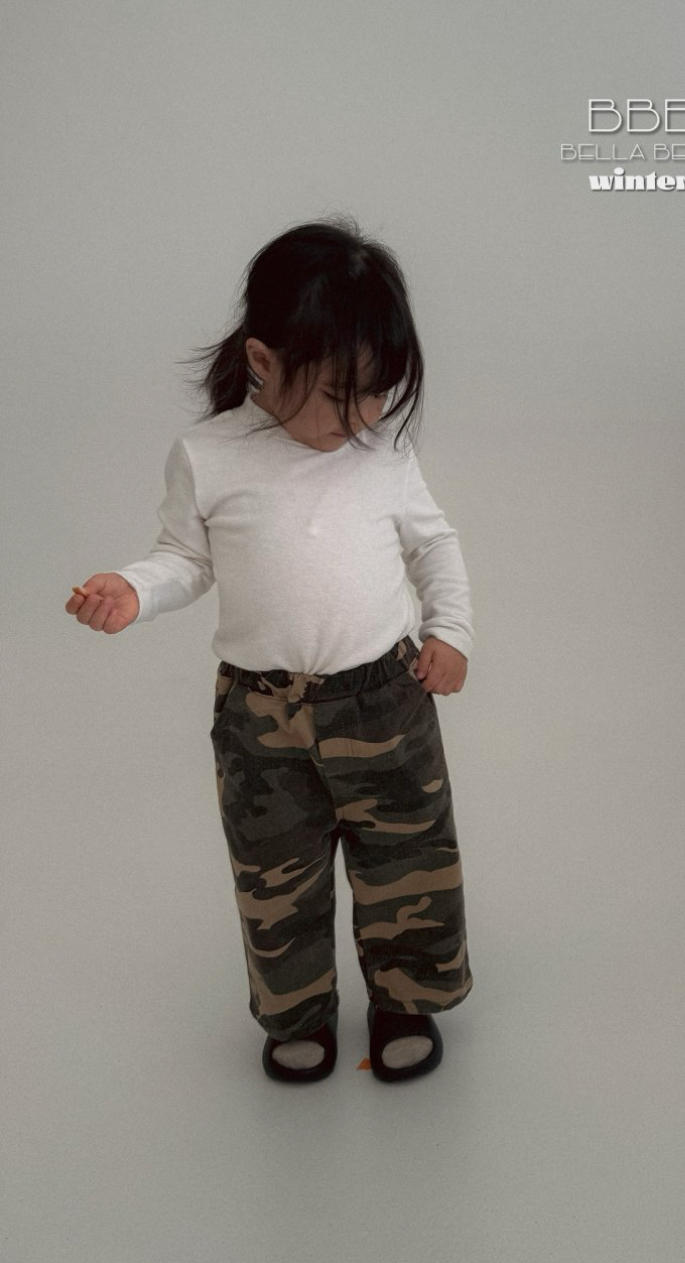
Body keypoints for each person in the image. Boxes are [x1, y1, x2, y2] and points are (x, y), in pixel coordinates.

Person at [64, 216, 475, 1085]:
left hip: (384, 699)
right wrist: (135, 588)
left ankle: (405, 999)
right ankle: (299, 1013)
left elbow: (434, 544)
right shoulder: (210, 455)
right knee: (274, 880)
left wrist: (450, 630)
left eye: (380, 391)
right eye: (340, 394)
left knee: (408, 863)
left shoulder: (382, 451)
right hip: (261, 718)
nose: (362, 416)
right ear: (262, 360)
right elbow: (185, 558)